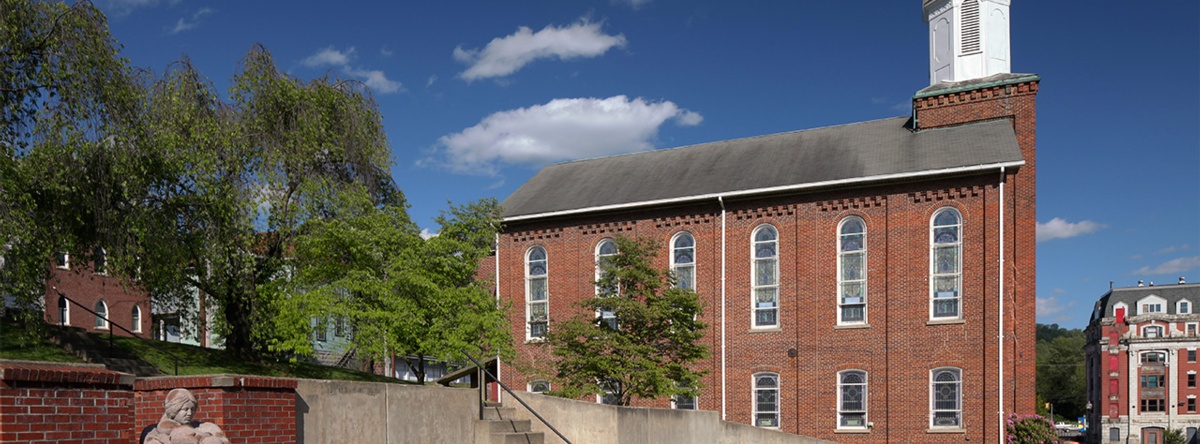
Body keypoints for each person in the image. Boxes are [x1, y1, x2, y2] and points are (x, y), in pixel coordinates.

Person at [142, 388, 231, 444]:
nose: (189, 413)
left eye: (192, 409)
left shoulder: (208, 428)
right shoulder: (153, 432)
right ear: (173, 410)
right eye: (185, 409)